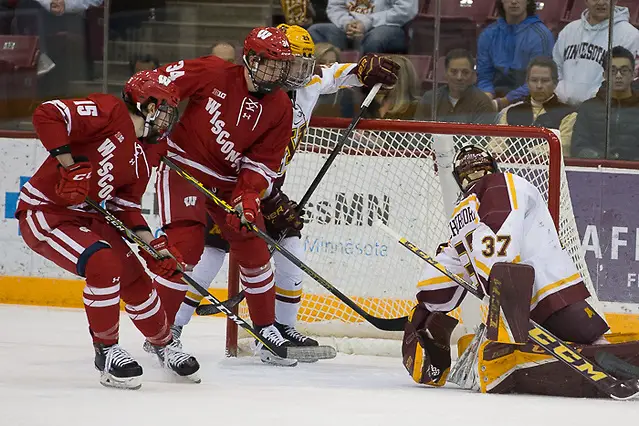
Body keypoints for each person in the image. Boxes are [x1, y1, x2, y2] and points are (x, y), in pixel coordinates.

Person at [171, 24, 399, 351]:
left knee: (289, 242)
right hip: (232, 184)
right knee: (213, 249)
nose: (302, 70)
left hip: (266, 184)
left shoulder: (305, 81)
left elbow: (334, 74)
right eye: (295, 62)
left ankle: (282, 328)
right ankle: (172, 327)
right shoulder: (252, 90)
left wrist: (363, 71)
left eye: (306, 62)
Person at [399, 145, 639, 398]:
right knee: (589, 339)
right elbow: (488, 238)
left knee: (582, 340)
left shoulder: (471, 205)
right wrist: (501, 284)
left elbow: (445, 272)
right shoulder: (497, 187)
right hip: (549, 290)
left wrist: (426, 309)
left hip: (524, 295)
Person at [14, 70, 201, 389]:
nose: (170, 118)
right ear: (148, 105)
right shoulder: (108, 111)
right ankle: (107, 351)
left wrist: (152, 245)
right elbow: (48, 114)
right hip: (46, 211)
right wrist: (69, 165)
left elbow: (124, 206)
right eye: (167, 108)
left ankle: (163, 343)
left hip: (90, 216)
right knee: (103, 263)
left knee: (136, 279)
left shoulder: (150, 150)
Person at [151, 26, 298, 366]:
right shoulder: (213, 71)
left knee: (255, 245)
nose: (276, 73)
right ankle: (163, 332)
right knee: (184, 248)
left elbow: (263, 163)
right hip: (184, 168)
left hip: (230, 181)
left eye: (281, 66)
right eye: (270, 64)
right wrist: (152, 120)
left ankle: (265, 331)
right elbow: (157, 84)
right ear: (249, 59)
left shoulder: (280, 107)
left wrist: (248, 197)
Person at [553, 1, 639, 106]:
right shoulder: (569, 30)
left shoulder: (631, 35)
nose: (601, 2)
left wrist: (593, 105)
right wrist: (560, 94)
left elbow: (626, 80)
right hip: (562, 107)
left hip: (601, 110)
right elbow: (555, 68)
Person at [476, 0, 554, 111]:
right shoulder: (489, 34)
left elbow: (539, 82)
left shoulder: (541, 36)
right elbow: (484, 75)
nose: (513, 2)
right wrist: (487, 97)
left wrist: (505, 101)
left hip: (529, 104)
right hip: (493, 101)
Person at [497, 56, 576, 156]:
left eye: (545, 81)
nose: (539, 86)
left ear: (555, 83)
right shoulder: (511, 112)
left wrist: (520, 153)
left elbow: (562, 147)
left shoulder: (569, 115)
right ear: (527, 83)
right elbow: (495, 146)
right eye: (534, 80)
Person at [572, 46, 639, 160]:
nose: (618, 76)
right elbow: (578, 147)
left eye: (624, 70)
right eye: (612, 71)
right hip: (596, 171)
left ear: (633, 74)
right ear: (604, 75)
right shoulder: (588, 108)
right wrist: (600, 158)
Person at [414, 49, 496, 124]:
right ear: (445, 73)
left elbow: (481, 139)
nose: (459, 77)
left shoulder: (483, 103)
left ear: (473, 75)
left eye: (465, 72)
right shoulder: (429, 99)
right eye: (454, 72)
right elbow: (415, 136)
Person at [307, 0, 418, 55]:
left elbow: (406, 10)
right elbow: (335, 7)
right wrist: (347, 23)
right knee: (316, 31)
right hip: (350, 26)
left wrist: (367, 22)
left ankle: (366, 88)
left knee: (375, 40)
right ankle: (331, 81)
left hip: (387, 26)